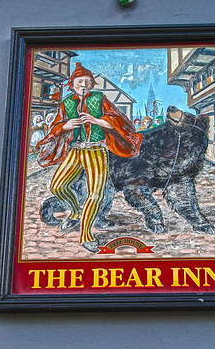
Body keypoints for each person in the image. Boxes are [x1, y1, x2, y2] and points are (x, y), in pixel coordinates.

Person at [36, 63, 142, 252]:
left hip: (96, 150)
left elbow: (119, 119)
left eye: (86, 81)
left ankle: (86, 234)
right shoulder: (66, 102)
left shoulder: (100, 98)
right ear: (73, 84)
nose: (83, 84)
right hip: (75, 151)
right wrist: (65, 126)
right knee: (57, 185)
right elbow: (55, 126)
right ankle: (75, 212)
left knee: (96, 193)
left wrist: (98, 121)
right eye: (79, 81)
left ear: (91, 84)